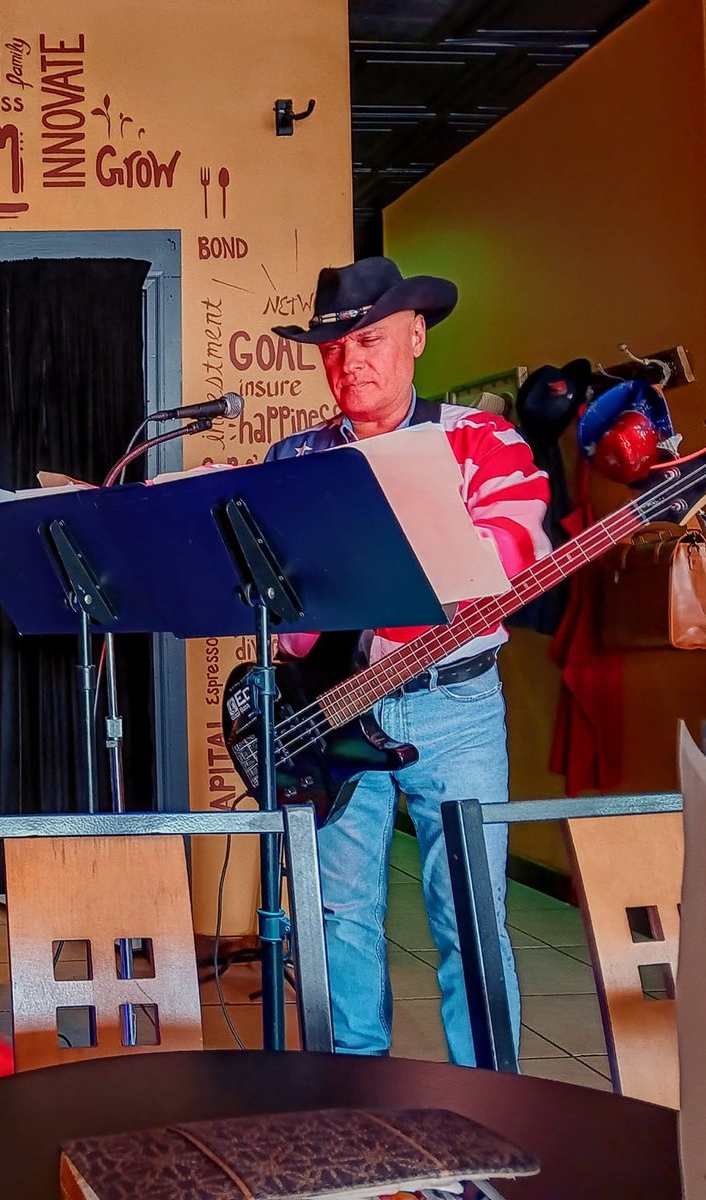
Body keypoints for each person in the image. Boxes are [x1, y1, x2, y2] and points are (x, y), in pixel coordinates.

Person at [264, 256, 551, 1065]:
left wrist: (360, 580)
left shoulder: (482, 438)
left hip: (453, 709)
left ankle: (491, 1104)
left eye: (370, 341)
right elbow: (281, 609)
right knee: (338, 916)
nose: (349, 363)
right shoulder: (295, 459)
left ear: (416, 336)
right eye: (333, 349)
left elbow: (507, 551)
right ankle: (352, 1103)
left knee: (470, 916)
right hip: (331, 708)